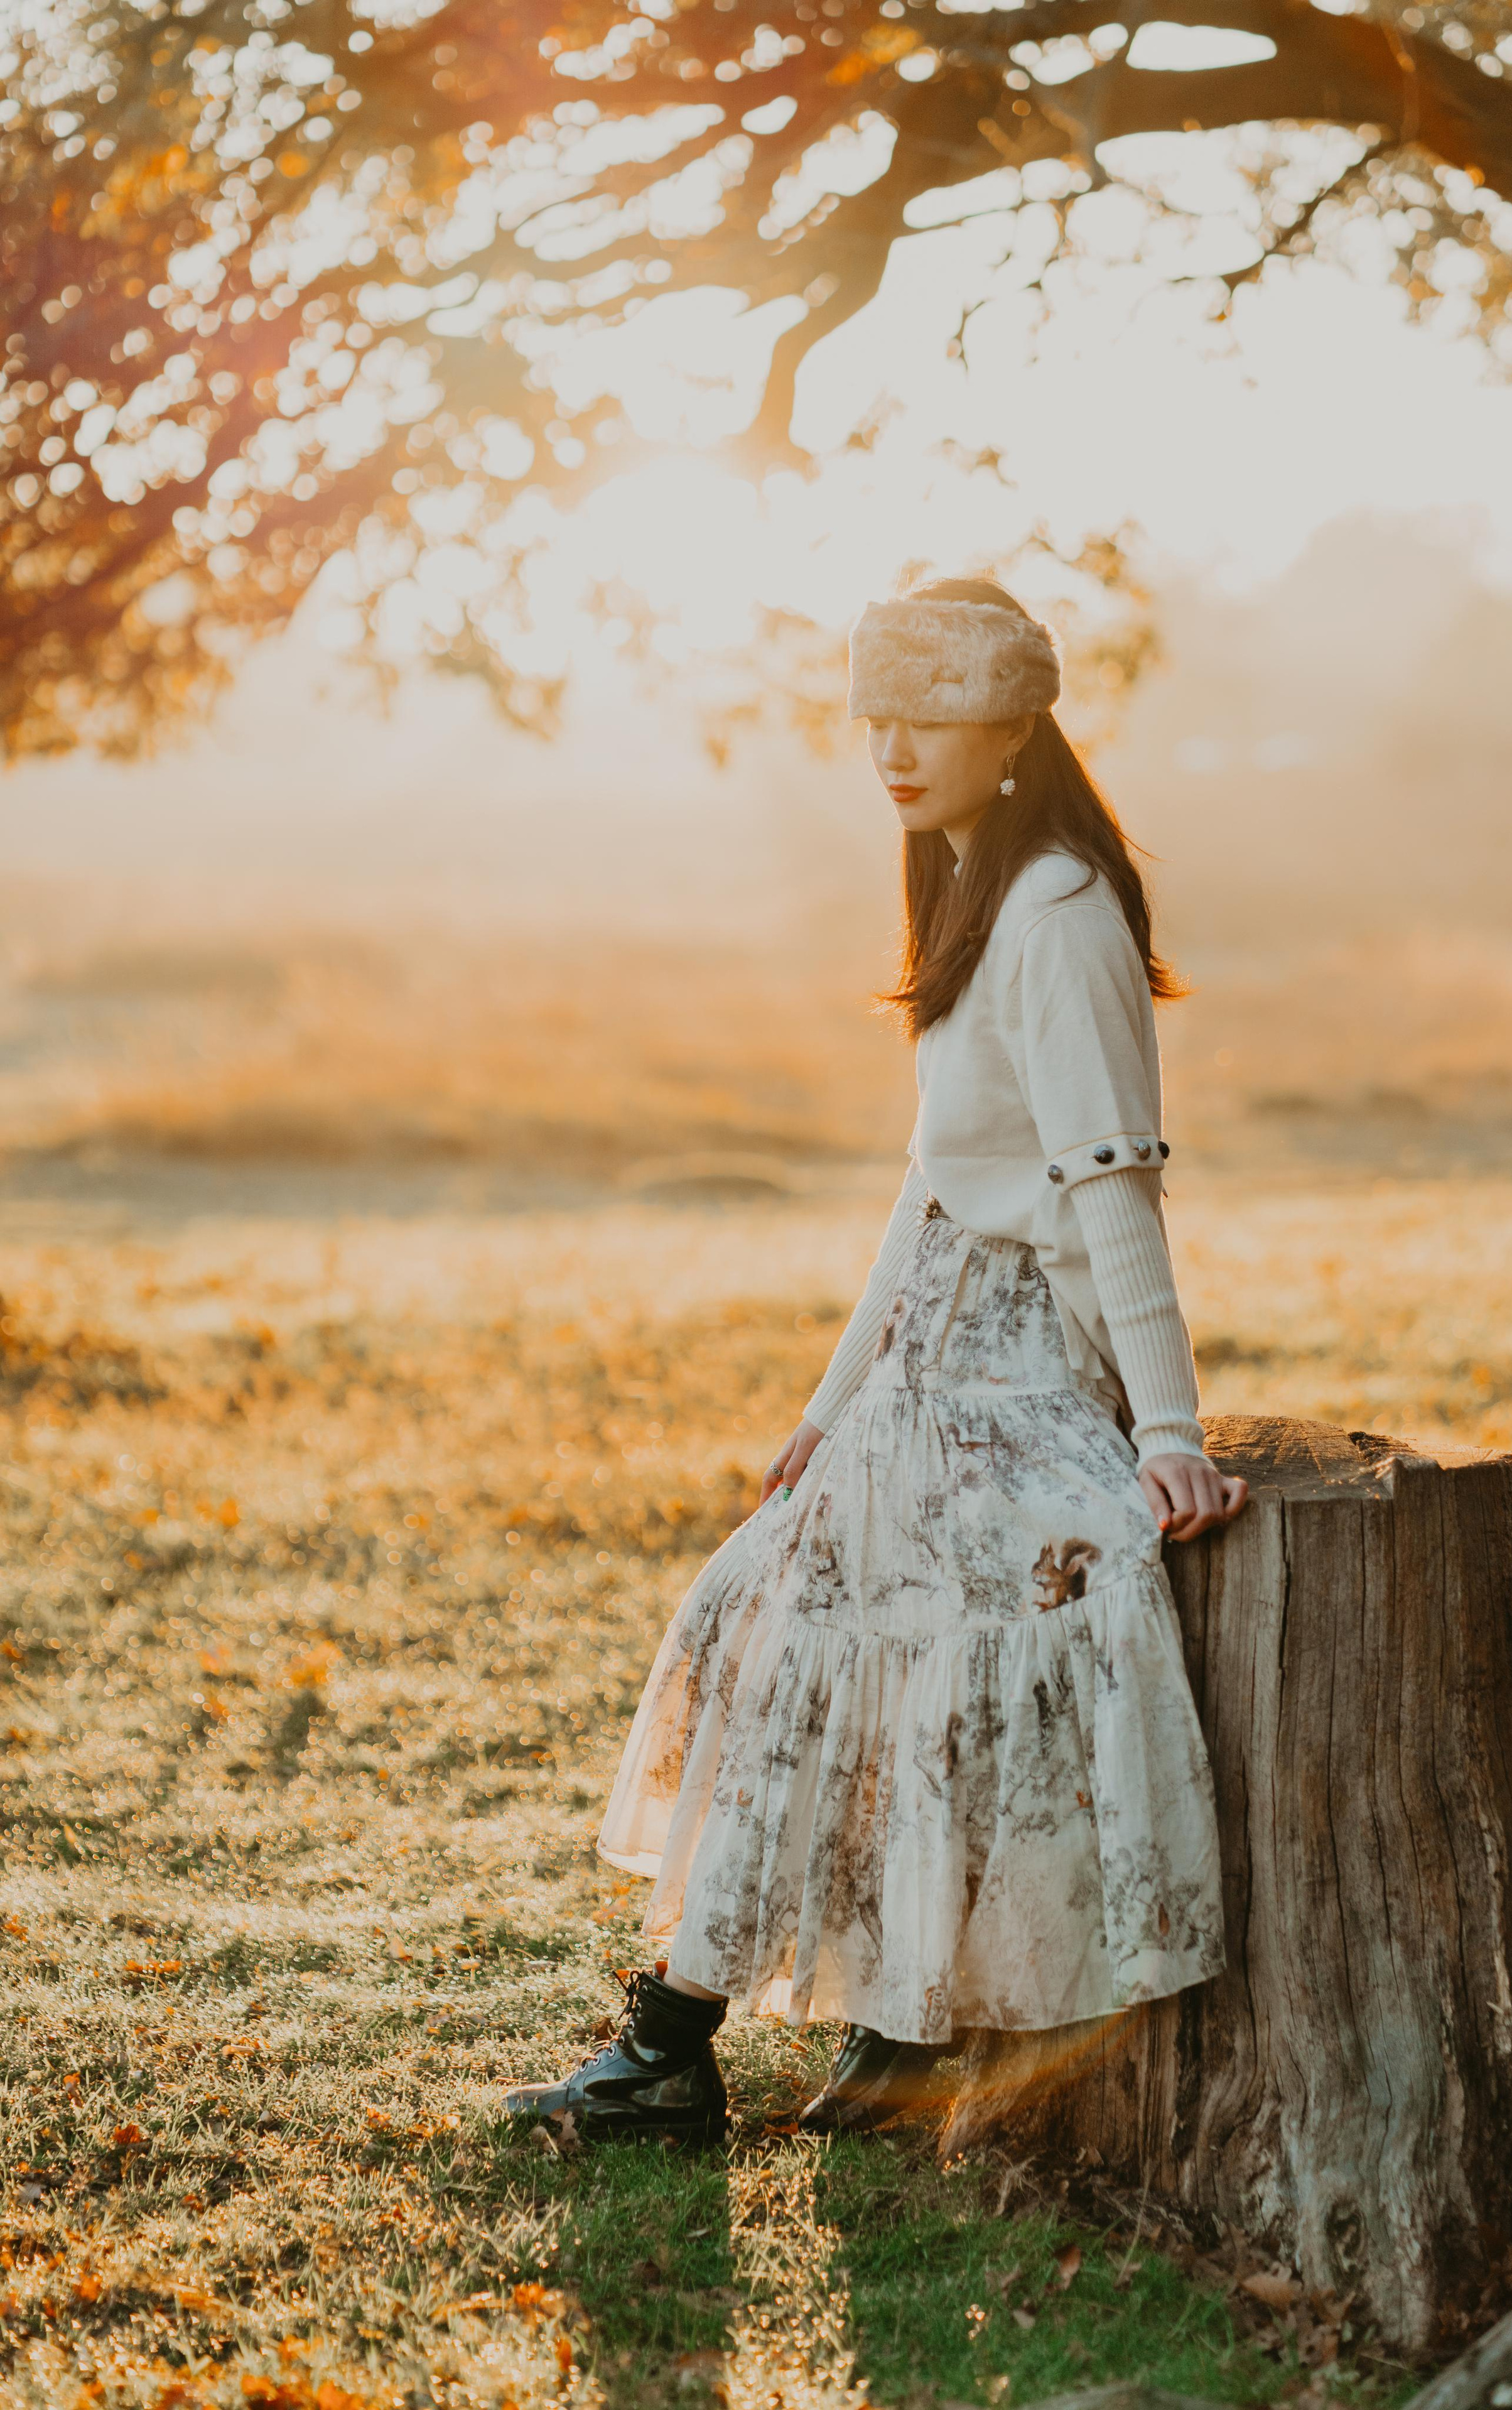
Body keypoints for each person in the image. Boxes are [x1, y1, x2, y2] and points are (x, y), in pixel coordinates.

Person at [502, 578, 1249, 2148]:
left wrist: (1164, 1422)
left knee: (834, 1636)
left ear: (1013, 725)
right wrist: (824, 1406)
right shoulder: (970, 882)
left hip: (1010, 1373)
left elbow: (1110, 1179)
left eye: (933, 717)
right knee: (768, 1613)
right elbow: (928, 1180)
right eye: (876, 719)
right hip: (923, 1358)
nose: (894, 749)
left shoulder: (1054, 911)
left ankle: (680, 2048)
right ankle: (859, 2032)